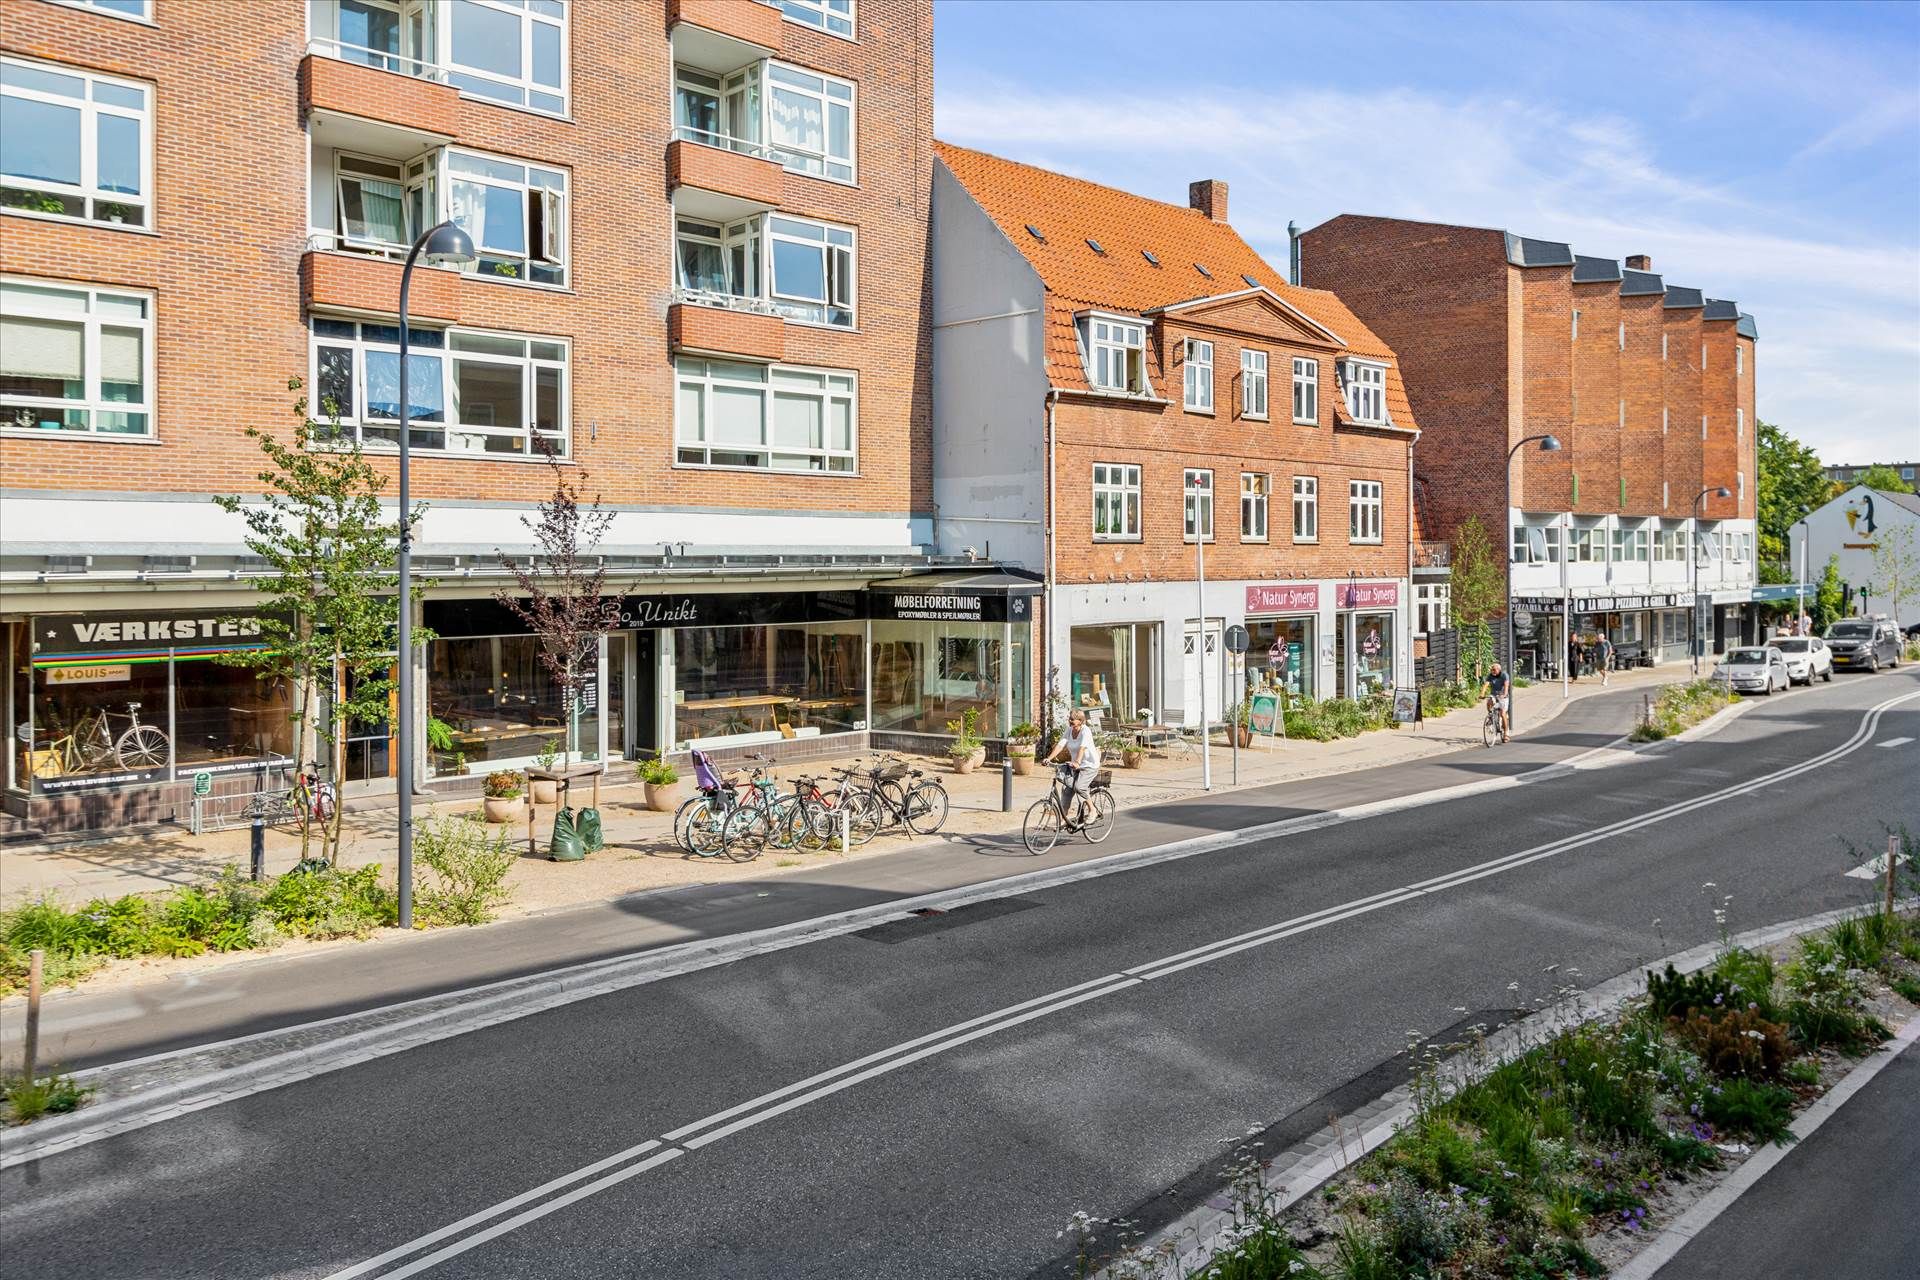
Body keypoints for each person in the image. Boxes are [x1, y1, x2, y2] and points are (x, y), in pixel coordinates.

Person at [1044, 709, 1102, 826]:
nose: (1070, 721)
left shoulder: (1086, 731)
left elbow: (1082, 748)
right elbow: (1060, 745)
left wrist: (1077, 762)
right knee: (1067, 790)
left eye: (1073, 719)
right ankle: (1063, 820)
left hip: (1089, 765)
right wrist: (1049, 758)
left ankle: (1092, 810)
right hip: (1075, 765)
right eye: (1069, 719)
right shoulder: (1069, 730)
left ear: (1080, 721)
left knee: (1079, 787)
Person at [1482, 662, 1511, 741]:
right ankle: (1491, 717)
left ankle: (1506, 733)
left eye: (1494, 670)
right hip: (1494, 695)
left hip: (1503, 696)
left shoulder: (1504, 675)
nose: (1492, 671)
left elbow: (1506, 685)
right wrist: (1482, 694)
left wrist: (1504, 694)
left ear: (1499, 670)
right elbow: (1486, 685)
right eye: (1492, 670)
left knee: (1502, 713)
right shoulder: (1490, 675)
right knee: (1489, 702)